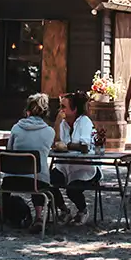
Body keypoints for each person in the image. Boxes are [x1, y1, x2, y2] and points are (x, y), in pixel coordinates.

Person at [0, 93, 56, 231]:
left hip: (12, 179)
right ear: (45, 113)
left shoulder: (16, 128)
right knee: (39, 179)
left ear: (27, 111)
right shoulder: (49, 132)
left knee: (3, 189)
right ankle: (39, 217)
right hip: (36, 181)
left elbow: (9, 150)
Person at [51, 92, 99, 225]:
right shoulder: (63, 123)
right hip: (64, 166)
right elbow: (55, 141)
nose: (61, 110)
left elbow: (84, 146)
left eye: (64, 107)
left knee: (72, 189)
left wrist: (66, 146)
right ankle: (64, 210)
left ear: (74, 109)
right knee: (46, 183)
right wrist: (57, 121)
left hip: (84, 168)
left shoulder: (84, 122)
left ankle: (82, 211)